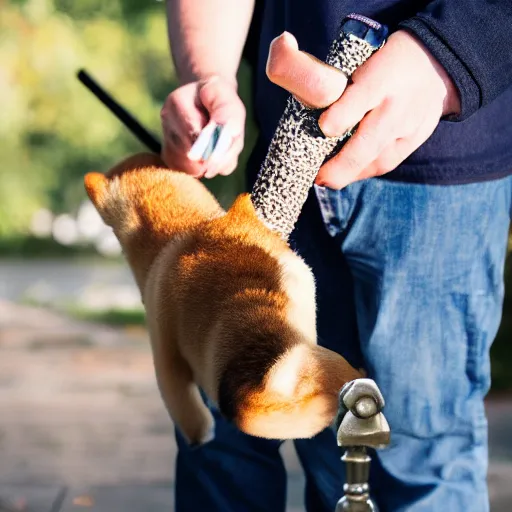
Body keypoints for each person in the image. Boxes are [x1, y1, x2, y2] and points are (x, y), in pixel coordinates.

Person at [160, 1, 512, 510]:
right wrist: (207, 73)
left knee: (422, 458)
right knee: (234, 434)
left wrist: (452, 49)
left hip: (446, 165)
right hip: (284, 150)